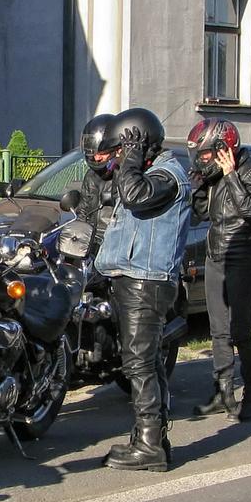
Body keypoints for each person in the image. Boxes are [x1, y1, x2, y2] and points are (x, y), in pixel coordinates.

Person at [94, 107, 192, 471]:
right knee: (145, 360)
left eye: (123, 149)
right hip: (135, 280)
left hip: (146, 282)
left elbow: (135, 195)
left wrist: (132, 159)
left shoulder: (167, 175)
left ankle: (150, 445)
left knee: (138, 363)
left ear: (141, 144)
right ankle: (150, 437)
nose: (119, 158)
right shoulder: (152, 172)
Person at [187, 119, 251, 422]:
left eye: (206, 154)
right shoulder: (212, 177)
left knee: (240, 331)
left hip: (243, 258)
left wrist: (231, 176)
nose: (202, 160)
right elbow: (201, 214)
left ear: (225, 149)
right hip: (216, 256)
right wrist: (198, 187)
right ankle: (223, 393)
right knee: (219, 331)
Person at [76, 112, 118, 247]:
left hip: (114, 244)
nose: (97, 158)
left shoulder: (126, 177)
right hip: (91, 243)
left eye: (102, 153)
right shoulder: (91, 176)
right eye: (93, 152)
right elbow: (83, 212)